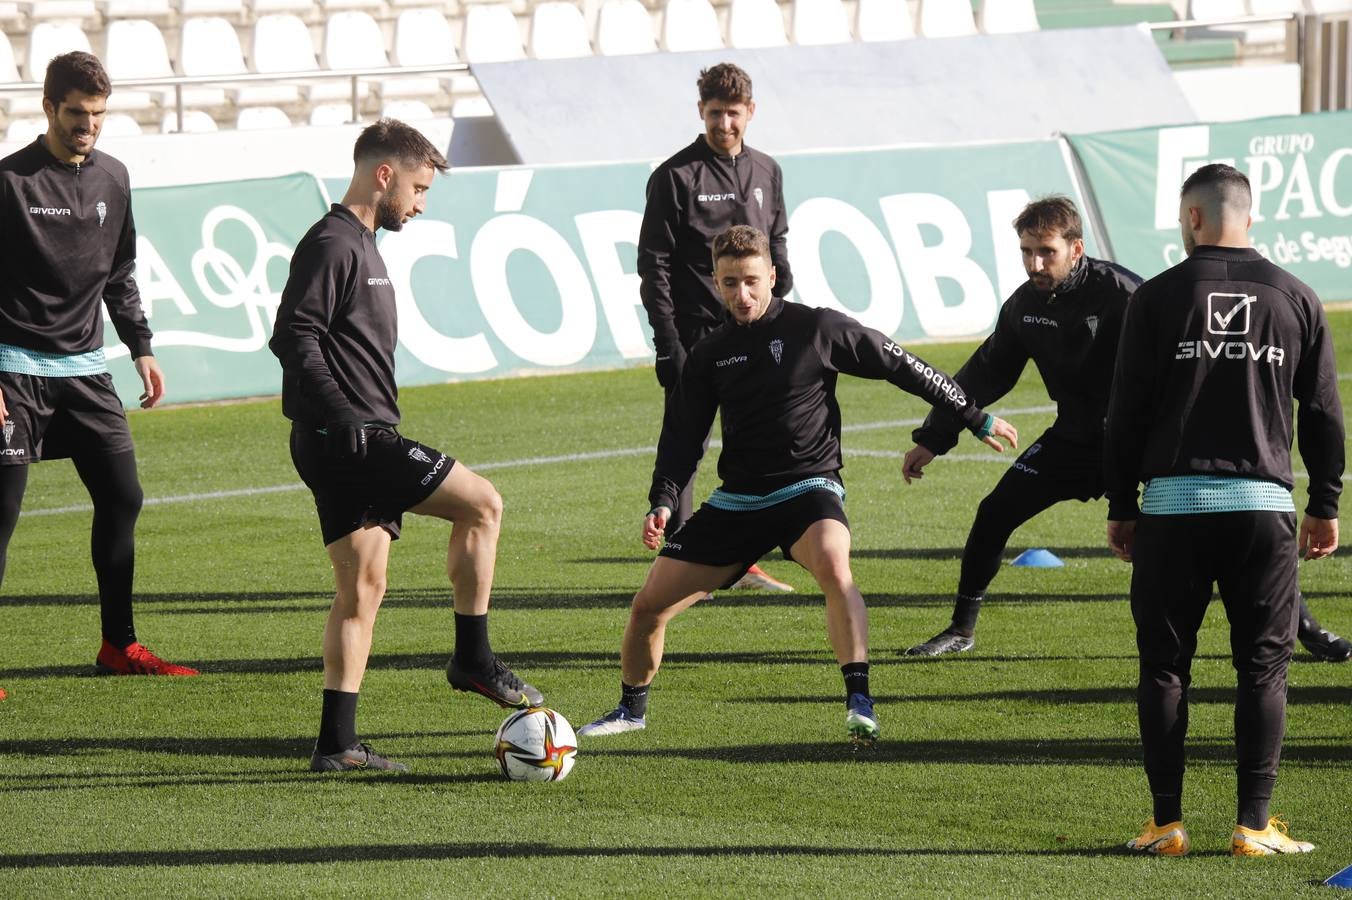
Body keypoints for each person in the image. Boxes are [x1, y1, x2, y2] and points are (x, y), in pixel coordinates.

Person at [578, 225, 1018, 743]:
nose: (740, 295)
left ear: (773, 276)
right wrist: (664, 499)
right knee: (648, 605)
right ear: (715, 283)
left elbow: (902, 365)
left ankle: (860, 700)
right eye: (727, 284)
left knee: (835, 564)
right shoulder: (709, 352)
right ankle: (632, 710)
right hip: (737, 500)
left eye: (749, 281)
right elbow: (681, 437)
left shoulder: (817, 328)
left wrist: (972, 415)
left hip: (807, 488)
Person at [902, 197, 1350, 663]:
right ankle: (961, 629)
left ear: (1076, 249)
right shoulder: (1024, 306)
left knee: (1225, 532)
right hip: (1073, 441)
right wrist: (935, 438)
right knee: (993, 513)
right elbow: (985, 372)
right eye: (1026, 251)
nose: (1034, 263)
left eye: (1046, 251)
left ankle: (1306, 627)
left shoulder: (1126, 294)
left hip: (1142, 442)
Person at [269, 119, 542, 773]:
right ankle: (472, 658)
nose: (421, 203)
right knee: (482, 504)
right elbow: (292, 336)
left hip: (334, 438)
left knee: (361, 590)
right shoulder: (334, 243)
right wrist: (345, 416)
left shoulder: (359, 244)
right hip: (352, 440)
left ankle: (337, 744)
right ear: (383, 175)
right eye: (418, 187)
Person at [1106, 164, 1343, 857]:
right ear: (1247, 215)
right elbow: (1324, 412)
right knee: (1263, 669)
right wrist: (1325, 502)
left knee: (1163, 668)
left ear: (1193, 219)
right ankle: (1254, 825)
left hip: (1172, 510)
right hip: (1261, 511)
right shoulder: (1295, 296)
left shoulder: (1155, 297)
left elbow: (1124, 416)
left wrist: (1122, 505)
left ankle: (1165, 824)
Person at [0, 51, 197, 701]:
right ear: (49, 108)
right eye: (77, 113)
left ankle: (119, 643)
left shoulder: (113, 176)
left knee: (123, 496)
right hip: (13, 371)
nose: (88, 125)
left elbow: (119, 272)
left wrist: (140, 344)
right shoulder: (9, 182)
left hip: (85, 371)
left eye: (99, 115)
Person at [638, 62, 795, 594]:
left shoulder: (768, 171)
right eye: (713, 113)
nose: (723, 123)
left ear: (750, 112)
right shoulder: (675, 177)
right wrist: (668, 343)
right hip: (697, 336)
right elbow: (653, 266)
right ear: (699, 112)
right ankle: (687, 562)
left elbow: (778, 239)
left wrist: (784, 289)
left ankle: (743, 553)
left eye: (732, 113)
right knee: (687, 441)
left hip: (758, 330)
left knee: (760, 435)